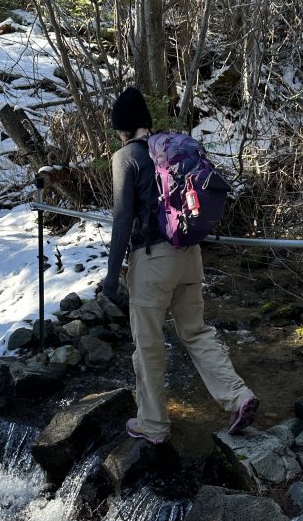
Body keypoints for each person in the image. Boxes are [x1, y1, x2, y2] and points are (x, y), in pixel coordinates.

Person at [102, 86, 259, 444]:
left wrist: (112, 276)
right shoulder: (169, 151)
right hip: (189, 254)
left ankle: (153, 426)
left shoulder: (125, 158)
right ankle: (239, 397)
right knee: (196, 332)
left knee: (149, 346)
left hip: (152, 260)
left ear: (121, 128)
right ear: (147, 122)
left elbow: (122, 217)